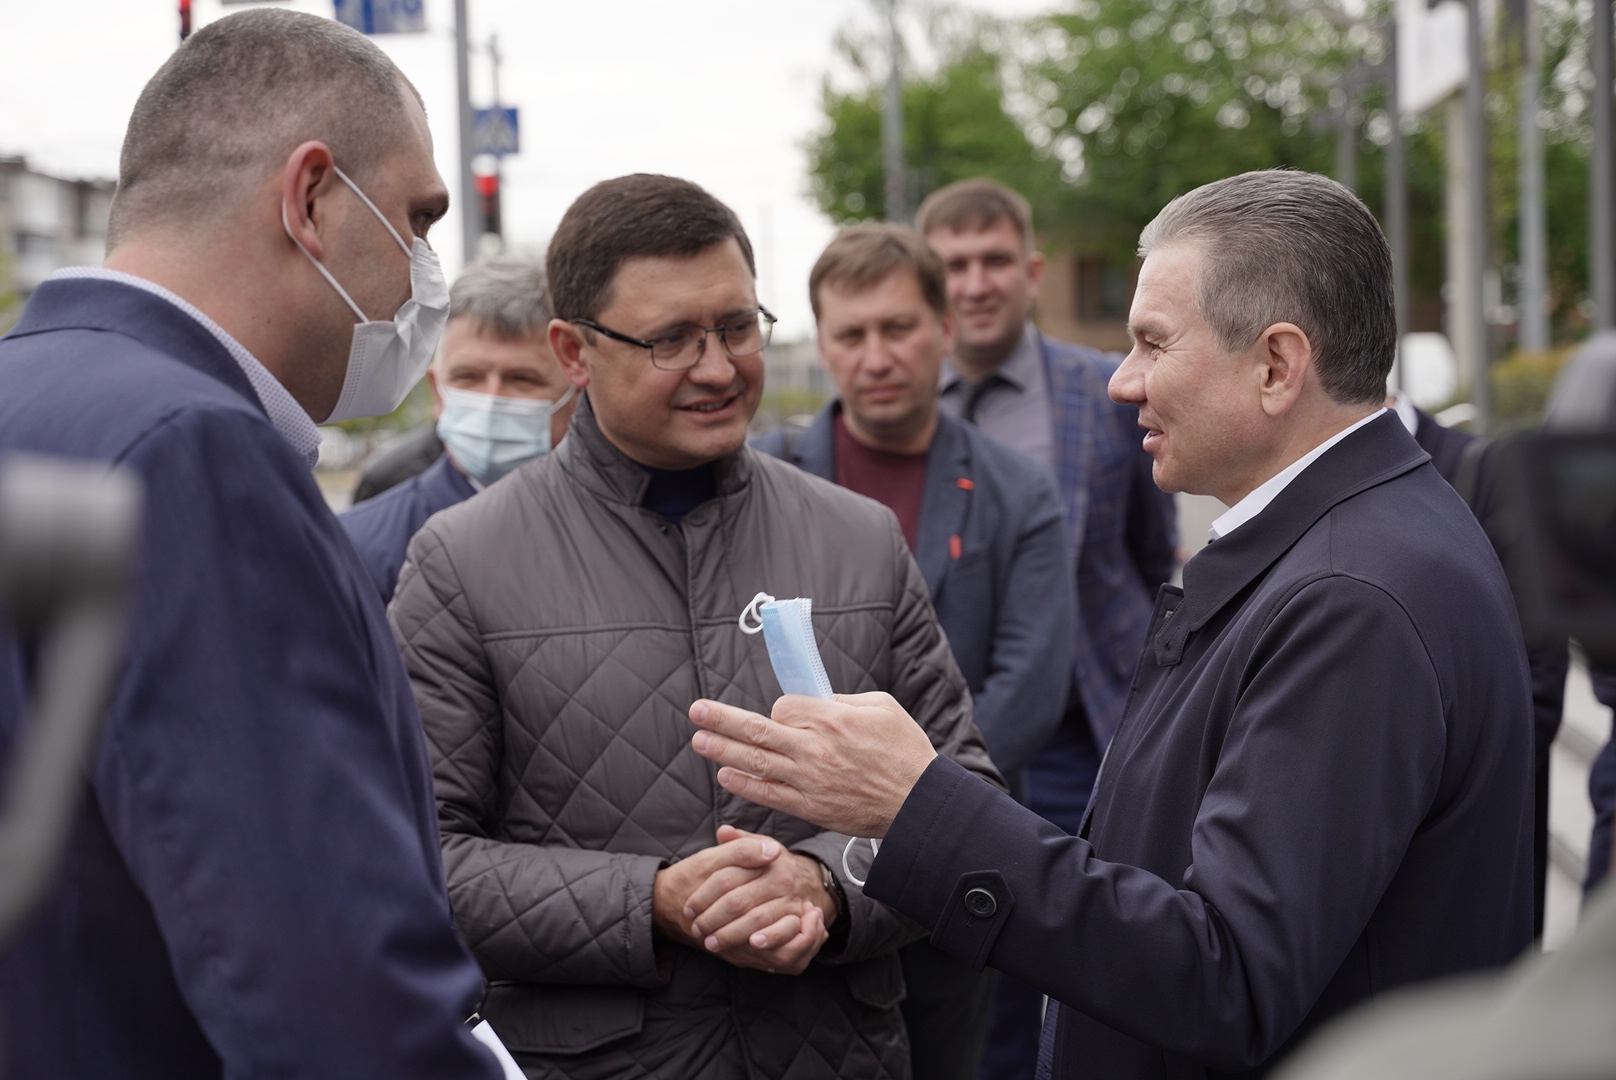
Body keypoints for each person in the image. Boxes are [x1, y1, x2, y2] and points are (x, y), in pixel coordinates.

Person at [687, 169, 1535, 1080]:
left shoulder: (1350, 599)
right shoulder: (1362, 541)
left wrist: (917, 801)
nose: (1122, 383)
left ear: (1278, 366)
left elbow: (1224, 977)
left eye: (1152, 344)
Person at [387, 174, 1004, 1079]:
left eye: (737, 327)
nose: (718, 368)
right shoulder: (461, 563)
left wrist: (827, 889)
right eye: (671, 338)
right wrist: (649, 901)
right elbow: (415, 861)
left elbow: (965, 808)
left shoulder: (859, 541)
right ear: (573, 351)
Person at [0, 11, 503, 1079]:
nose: (424, 269)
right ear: (312, 198)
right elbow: (333, 1001)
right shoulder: (193, 454)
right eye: (417, 219)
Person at [753, 223, 1076, 1080]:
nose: (876, 355)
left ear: (942, 329)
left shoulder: (1016, 490)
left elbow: (1031, 689)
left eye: (898, 329)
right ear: (821, 343)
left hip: (953, 875)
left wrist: (913, 811)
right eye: (851, 335)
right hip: (793, 879)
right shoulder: (761, 482)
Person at [917, 177, 1177, 1079]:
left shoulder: (1105, 391)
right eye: (954, 266)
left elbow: (1151, 557)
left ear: (1030, 273)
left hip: (1090, 736)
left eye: (995, 261)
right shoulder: (908, 406)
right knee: (968, 954)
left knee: (1078, 961)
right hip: (953, 732)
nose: (976, 283)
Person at [342, 255, 576, 603]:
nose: (492, 400)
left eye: (522, 379)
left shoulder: (632, 529)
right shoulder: (355, 548)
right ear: (438, 391)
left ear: (578, 391)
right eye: (468, 377)